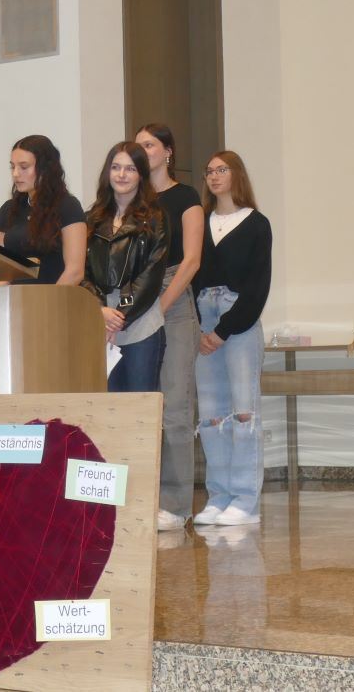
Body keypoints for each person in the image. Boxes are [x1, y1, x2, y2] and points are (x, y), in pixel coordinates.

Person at [192, 150, 271, 527]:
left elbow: (257, 288)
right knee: (211, 415)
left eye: (221, 170)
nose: (214, 176)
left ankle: (244, 500)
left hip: (238, 321)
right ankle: (219, 496)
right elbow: (191, 276)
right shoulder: (200, 222)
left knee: (243, 412)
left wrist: (223, 330)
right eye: (209, 171)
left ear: (237, 174)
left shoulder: (256, 223)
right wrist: (201, 328)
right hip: (202, 319)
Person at [135, 123, 203, 532]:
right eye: (138, 146)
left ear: (168, 152)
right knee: (139, 404)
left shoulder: (186, 197)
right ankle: (142, 498)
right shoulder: (134, 199)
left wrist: (160, 307)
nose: (143, 152)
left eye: (150, 145)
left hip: (173, 299)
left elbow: (192, 260)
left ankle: (176, 505)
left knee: (175, 407)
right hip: (137, 296)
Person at [82, 142, 168, 394]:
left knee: (140, 409)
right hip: (99, 319)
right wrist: (100, 310)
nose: (121, 175)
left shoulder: (156, 218)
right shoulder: (91, 218)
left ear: (141, 174)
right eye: (116, 167)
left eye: (130, 169)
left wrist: (119, 318)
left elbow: (151, 275)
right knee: (106, 407)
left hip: (140, 322)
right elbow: (82, 272)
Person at [0, 135, 86, 286]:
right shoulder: (8, 210)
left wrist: (48, 300)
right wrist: (1, 298)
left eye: (24, 167)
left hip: (54, 297)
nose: (15, 174)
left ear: (45, 169)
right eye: (13, 167)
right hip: (15, 298)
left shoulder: (68, 207)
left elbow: (75, 271)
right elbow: (1, 270)